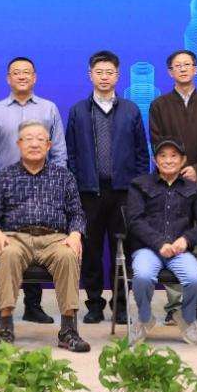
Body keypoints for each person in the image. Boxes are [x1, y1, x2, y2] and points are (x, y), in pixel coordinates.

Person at [0, 121, 90, 353]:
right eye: (28, 139)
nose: (34, 144)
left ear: (49, 145)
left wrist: (75, 233)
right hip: (17, 237)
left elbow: (77, 213)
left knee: (68, 255)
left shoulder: (64, 176)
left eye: (40, 139)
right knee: (8, 254)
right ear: (19, 144)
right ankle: (5, 328)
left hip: (54, 238)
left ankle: (68, 330)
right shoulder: (5, 176)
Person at [0, 56, 67, 324]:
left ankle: (33, 306)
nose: (22, 76)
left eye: (27, 72)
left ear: (35, 77)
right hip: (6, 193)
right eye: (16, 72)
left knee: (38, 237)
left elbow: (59, 152)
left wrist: (58, 186)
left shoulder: (49, 109)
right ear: (8, 78)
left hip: (43, 190)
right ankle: (4, 308)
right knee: (8, 248)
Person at [64, 50, 149, 325]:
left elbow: (141, 153)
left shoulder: (131, 110)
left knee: (122, 250)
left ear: (118, 76)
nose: (104, 77)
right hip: (88, 192)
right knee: (91, 251)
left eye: (109, 72)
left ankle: (121, 305)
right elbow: (71, 153)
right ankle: (94, 304)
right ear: (90, 75)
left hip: (124, 193)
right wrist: (75, 185)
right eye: (99, 72)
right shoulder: (78, 111)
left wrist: (139, 189)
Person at [147, 49, 197, 326]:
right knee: (172, 239)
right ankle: (174, 305)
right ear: (170, 72)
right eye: (177, 65)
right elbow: (157, 141)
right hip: (168, 182)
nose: (182, 69)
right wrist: (176, 169)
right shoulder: (159, 105)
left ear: (196, 69)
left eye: (187, 64)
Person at [124, 139, 197, 345]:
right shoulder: (139, 185)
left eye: (174, 156)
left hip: (179, 251)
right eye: (162, 156)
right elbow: (134, 221)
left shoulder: (193, 188)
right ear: (155, 160)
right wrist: (159, 243)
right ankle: (145, 318)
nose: (168, 160)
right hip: (147, 249)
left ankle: (186, 317)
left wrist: (186, 240)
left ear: (183, 161)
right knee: (142, 276)